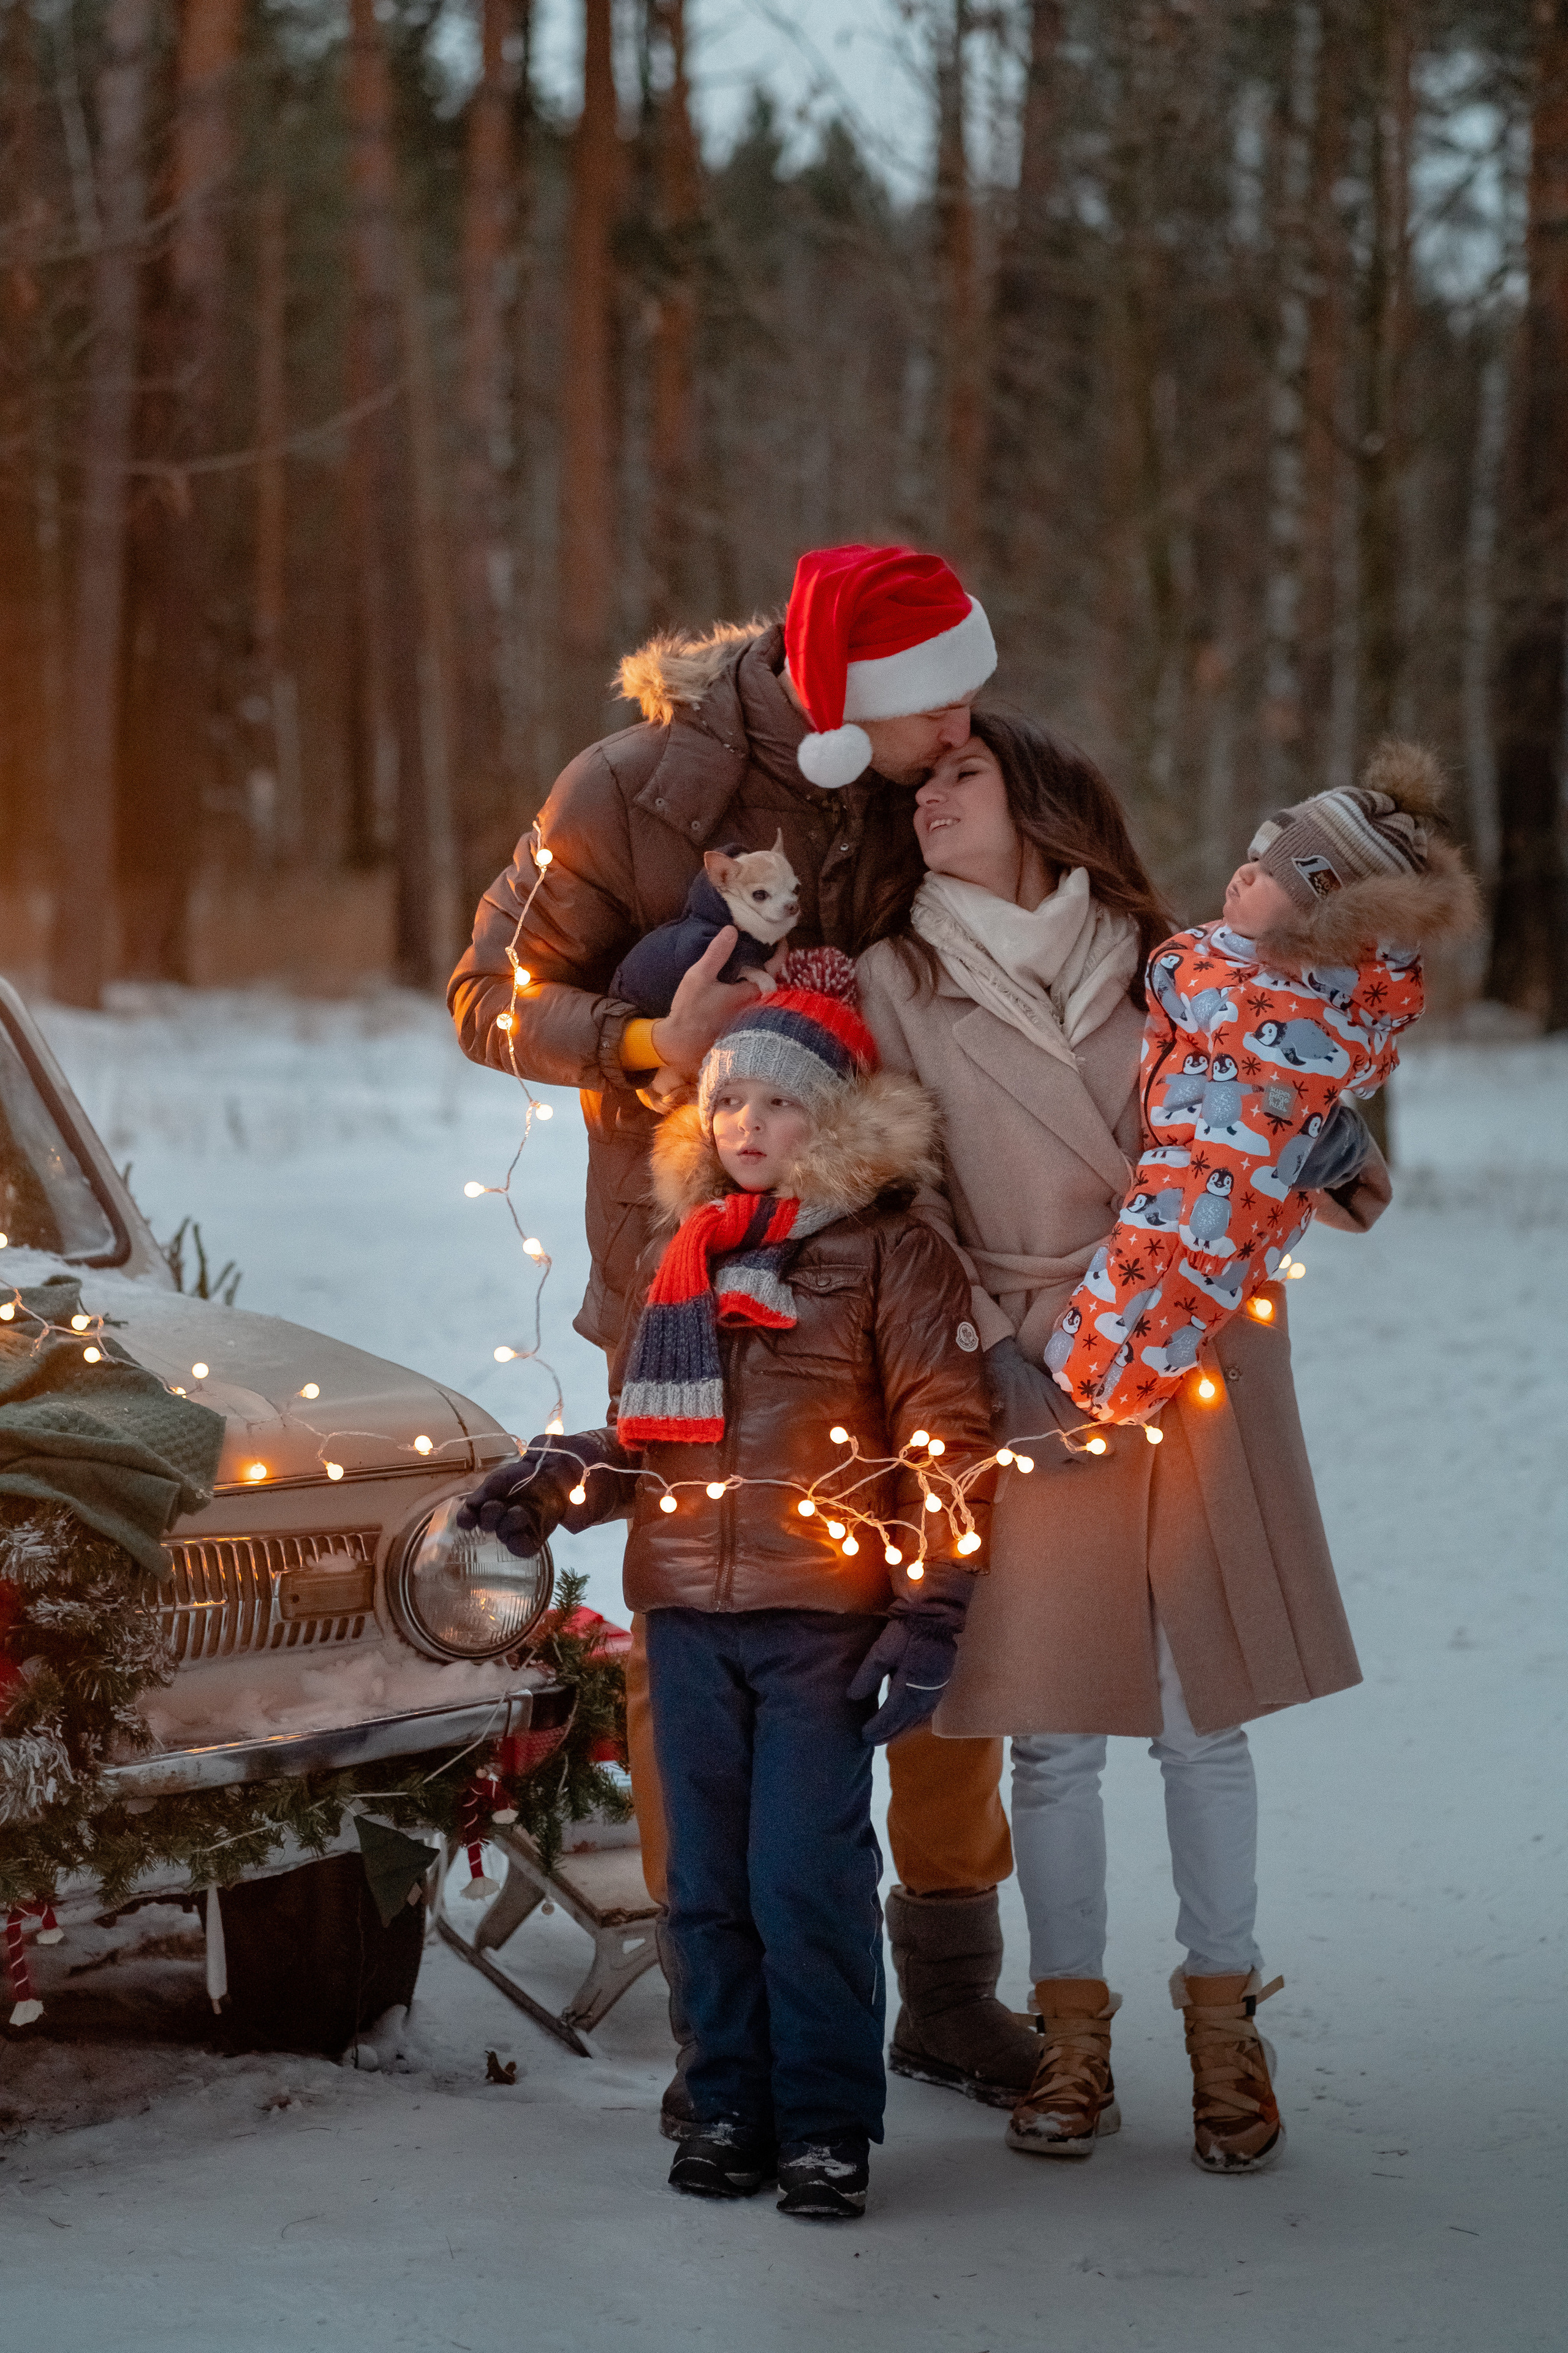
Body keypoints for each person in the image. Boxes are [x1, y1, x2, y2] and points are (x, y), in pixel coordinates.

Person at [449, 544, 1043, 2118]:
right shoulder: (627, 791)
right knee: (699, 1626)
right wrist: (652, 1036)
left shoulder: (953, 783)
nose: (967, 725)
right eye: (938, 703)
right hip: (689, 1284)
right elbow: (483, 994)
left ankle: (948, 1984)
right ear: (848, 698)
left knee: (939, 1593)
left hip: (916, 1267)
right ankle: (723, 2013)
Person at [856, 711, 1398, 2176]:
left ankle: (1225, 2025)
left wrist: (1333, 1145)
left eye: (958, 774)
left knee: (1194, 1715)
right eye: (918, 783)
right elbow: (900, 1193)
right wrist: (989, 1351)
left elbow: (1281, 1093)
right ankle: (1070, 2039)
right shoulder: (894, 977)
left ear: (1035, 799)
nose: (927, 800)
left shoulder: (1170, 952)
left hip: (1199, 1351)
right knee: (1049, 1733)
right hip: (1038, 1364)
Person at [459, 988, 997, 2218]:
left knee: (803, 1877)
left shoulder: (894, 1253)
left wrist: (932, 1609)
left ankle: (823, 2125)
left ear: (836, 1120)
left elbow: (949, 1443)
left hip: (820, 1622)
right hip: (687, 1617)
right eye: (729, 1100)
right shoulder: (686, 1253)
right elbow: (653, 1443)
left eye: (778, 1103)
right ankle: (724, 2105)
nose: (747, 1123)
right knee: (701, 1882)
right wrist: (557, 1482)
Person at [1048, 742, 1478, 1422]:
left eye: (1276, 874)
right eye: (1254, 857)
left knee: (1142, 1311)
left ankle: (1101, 1388)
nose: (1245, 874)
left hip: (1206, 1198)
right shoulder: (1244, 964)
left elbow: (1244, 1160)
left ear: (1324, 919)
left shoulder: (1282, 1012)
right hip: (1185, 1172)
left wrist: (1200, 1234)